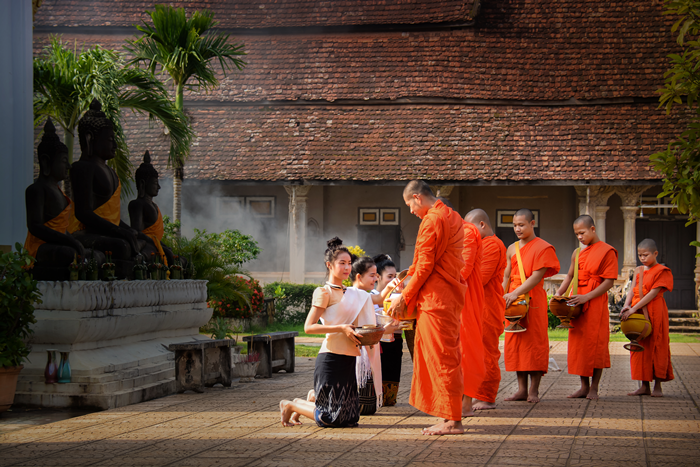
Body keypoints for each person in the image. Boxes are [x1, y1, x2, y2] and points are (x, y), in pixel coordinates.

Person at [387, 180, 466, 435]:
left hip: (436, 299)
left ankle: (453, 421)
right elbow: (426, 261)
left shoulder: (432, 220)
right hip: (449, 296)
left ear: (418, 198)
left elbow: (425, 266)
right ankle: (449, 416)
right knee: (446, 356)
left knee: (442, 358)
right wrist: (404, 276)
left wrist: (404, 296)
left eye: (409, 204)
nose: (410, 211)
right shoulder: (452, 216)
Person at [280, 237, 382, 427]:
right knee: (331, 418)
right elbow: (309, 327)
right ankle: (290, 405)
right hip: (331, 358)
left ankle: (307, 401)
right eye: (342, 263)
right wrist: (341, 328)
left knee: (351, 418)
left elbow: (373, 307)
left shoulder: (353, 294)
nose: (347, 268)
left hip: (350, 357)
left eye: (349, 263)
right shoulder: (323, 292)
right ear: (329, 265)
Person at [556, 215, 618, 400]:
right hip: (576, 301)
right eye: (577, 234)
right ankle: (583, 386)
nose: (580, 237)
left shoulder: (608, 251)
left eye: (582, 233)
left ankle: (594, 388)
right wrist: (559, 295)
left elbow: (608, 282)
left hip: (595, 300)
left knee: (596, 344)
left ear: (592, 229)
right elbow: (569, 276)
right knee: (580, 345)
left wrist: (587, 297)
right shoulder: (577, 252)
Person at [503, 208, 560, 403]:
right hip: (512, 300)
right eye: (515, 226)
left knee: (535, 344)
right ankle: (521, 389)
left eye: (521, 225)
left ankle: (534, 391)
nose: (517, 229)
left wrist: (515, 293)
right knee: (516, 344)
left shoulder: (543, 248)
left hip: (532, 299)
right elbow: (506, 275)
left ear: (532, 224)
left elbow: (537, 276)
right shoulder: (512, 248)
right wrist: (502, 296)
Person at [24, 118, 87, 268]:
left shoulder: (59, 193)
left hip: (57, 244)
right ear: (46, 162)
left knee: (95, 255)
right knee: (68, 254)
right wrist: (70, 241)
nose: (68, 165)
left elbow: (61, 229)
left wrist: (73, 240)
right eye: (64, 160)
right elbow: (35, 227)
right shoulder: (36, 190)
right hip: (39, 247)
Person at [620, 238, 674, 397]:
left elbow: (653, 293)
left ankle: (658, 385)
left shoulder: (662, 271)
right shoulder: (638, 271)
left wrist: (634, 308)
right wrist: (626, 305)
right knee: (638, 344)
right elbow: (631, 290)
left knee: (657, 344)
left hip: (655, 310)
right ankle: (644, 386)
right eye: (640, 255)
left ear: (655, 253)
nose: (642, 258)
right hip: (636, 310)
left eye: (646, 255)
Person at [465, 209, 507, 411]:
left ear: (482, 225)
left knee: (487, 352)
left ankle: (487, 396)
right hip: (477, 307)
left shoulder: (492, 245)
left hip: (487, 307)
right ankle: (476, 392)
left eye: (471, 229)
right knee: (475, 352)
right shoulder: (481, 244)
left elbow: (478, 278)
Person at [459, 215, 486, 417]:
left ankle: (467, 403)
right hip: (452, 300)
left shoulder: (467, 232)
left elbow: (463, 270)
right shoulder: (450, 233)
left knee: (466, 351)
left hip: (464, 299)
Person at [128, 151, 175, 266]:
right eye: (155, 183)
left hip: (154, 245)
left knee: (181, 260)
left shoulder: (154, 206)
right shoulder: (137, 204)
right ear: (143, 183)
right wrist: (157, 244)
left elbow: (155, 236)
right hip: (145, 245)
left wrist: (162, 245)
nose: (159, 187)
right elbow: (137, 233)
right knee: (149, 254)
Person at [373, 254, 403, 406]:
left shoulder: (398, 296)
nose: (394, 280)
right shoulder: (371, 296)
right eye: (389, 276)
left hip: (395, 340)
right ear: (378, 277)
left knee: (390, 398)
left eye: (395, 276)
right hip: (377, 343)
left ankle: (388, 396)